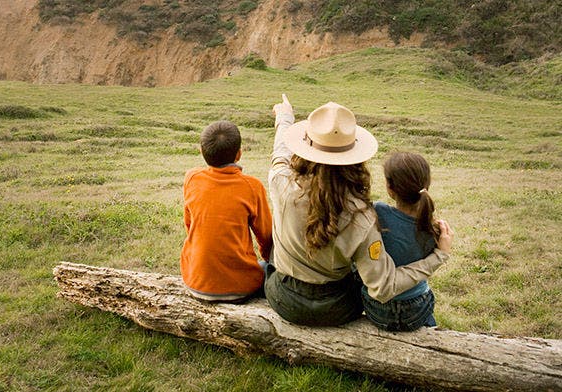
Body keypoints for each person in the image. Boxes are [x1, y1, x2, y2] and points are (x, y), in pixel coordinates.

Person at [265, 94, 454, 326]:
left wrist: (285, 117)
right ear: (354, 158)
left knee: (268, 265)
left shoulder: (280, 182)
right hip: (335, 308)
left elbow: (280, 153)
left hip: (284, 299)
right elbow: (383, 287)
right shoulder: (363, 216)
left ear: (305, 148)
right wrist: (439, 257)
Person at [180, 120, 273, 302]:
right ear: (239, 154)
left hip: (194, 281)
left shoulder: (192, 178)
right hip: (240, 288)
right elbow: (266, 236)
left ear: (201, 151)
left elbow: (190, 225)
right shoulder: (252, 187)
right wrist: (270, 261)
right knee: (267, 269)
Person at [362, 152, 443, 331]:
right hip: (417, 308)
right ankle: (429, 326)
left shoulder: (378, 213)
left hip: (376, 309)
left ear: (390, 188)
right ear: (426, 185)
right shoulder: (434, 229)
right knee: (424, 294)